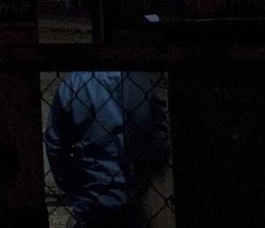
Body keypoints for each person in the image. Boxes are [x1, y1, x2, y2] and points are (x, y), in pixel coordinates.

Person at [44, 70, 171, 228]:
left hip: (91, 199)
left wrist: (72, 185)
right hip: (135, 199)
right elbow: (160, 143)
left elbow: (54, 144)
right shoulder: (146, 80)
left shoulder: (73, 82)